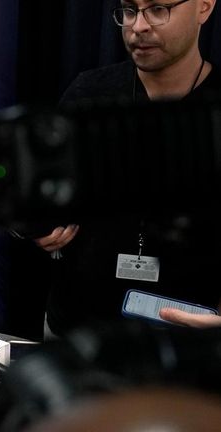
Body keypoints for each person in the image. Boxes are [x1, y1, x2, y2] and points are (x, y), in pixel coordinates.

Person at [36, 0, 220, 336]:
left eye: (158, 9)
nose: (138, 27)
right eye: (130, 10)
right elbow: (42, 196)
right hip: (78, 334)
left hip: (186, 341)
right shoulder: (89, 93)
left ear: (204, 8)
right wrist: (43, 223)